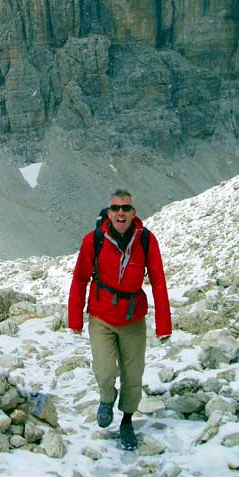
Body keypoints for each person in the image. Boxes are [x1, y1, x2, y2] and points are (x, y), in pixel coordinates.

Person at [68, 189, 172, 450]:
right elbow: (80, 278)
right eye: (116, 208)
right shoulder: (94, 240)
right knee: (104, 370)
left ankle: (127, 419)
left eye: (126, 208)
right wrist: (75, 319)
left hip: (133, 317)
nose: (121, 213)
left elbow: (158, 281)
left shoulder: (146, 240)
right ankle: (106, 398)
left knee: (133, 374)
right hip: (102, 315)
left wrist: (163, 325)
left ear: (134, 212)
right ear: (109, 212)